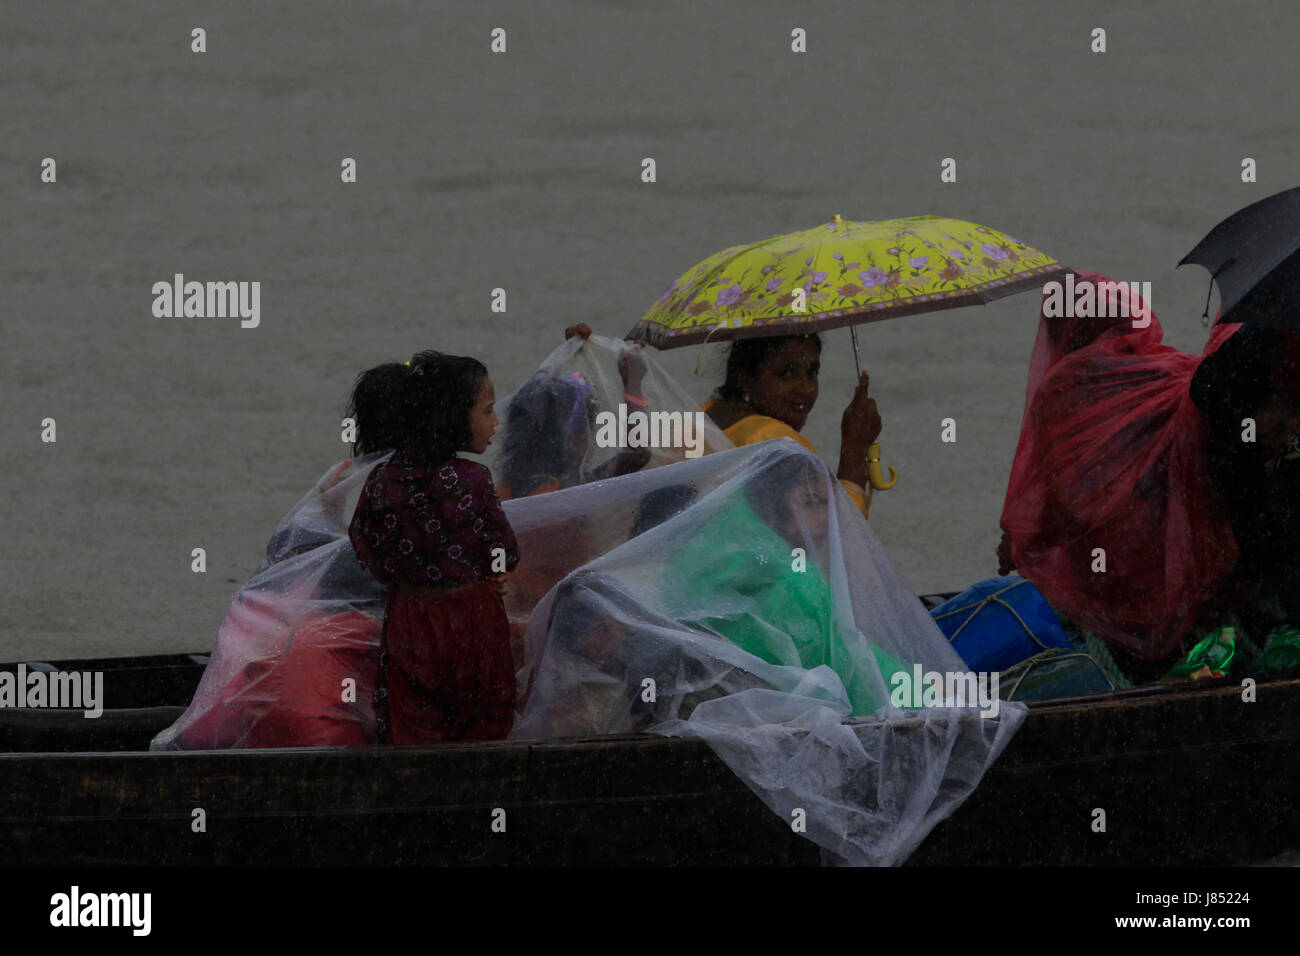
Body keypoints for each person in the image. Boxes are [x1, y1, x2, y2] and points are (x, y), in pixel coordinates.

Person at [348, 350, 521, 743]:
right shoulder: (472, 479)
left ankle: (422, 797)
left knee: (416, 723)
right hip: (471, 620)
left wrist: (410, 575)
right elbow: (505, 550)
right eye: (487, 411)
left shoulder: (381, 479)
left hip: (409, 619)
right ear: (452, 417)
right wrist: (487, 575)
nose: (496, 421)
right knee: (481, 721)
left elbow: (364, 543)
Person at [700, 332, 881, 518]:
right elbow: (834, 534)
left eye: (812, 373)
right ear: (745, 379)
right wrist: (855, 449)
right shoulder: (778, 443)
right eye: (786, 374)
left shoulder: (707, 414)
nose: (806, 389)